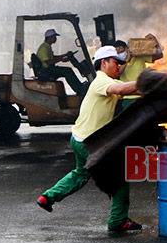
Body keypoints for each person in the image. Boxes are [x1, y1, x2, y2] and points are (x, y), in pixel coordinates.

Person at [36, 46, 143, 232]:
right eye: (116, 62)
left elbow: (126, 91)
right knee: (119, 177)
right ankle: (118, 220)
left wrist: (153, 90)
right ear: (104, 63)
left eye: (120, 63)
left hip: (79, 138)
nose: (119, 66)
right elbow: (121, 88)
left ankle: (48, 197)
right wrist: (148, 82)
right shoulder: (101, 81)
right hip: (90, 143)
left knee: (81, 173)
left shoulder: (106, 82)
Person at [117, 34, 164, 111]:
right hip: (128, 98)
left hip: (142, 96)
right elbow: (118, 72)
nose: (119, 53)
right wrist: (127, 59)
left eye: (121, 51)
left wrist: (155, 43)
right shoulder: (118, 62)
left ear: (127, 49)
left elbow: (159, 55)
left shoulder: (139, 57)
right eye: (117, 52)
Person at [36, 28, 83, 93]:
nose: (55, 39)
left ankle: (79, 87)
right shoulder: (43, 48)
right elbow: (48, 62)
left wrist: (65, 55)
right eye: (54, 37)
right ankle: (79, 89)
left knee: (67, 70)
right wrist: (61, 59)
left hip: (49, 68)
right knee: (67, 71)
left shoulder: (47, 46)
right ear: (50, 37)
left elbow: (53, 57)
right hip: (47, 69)